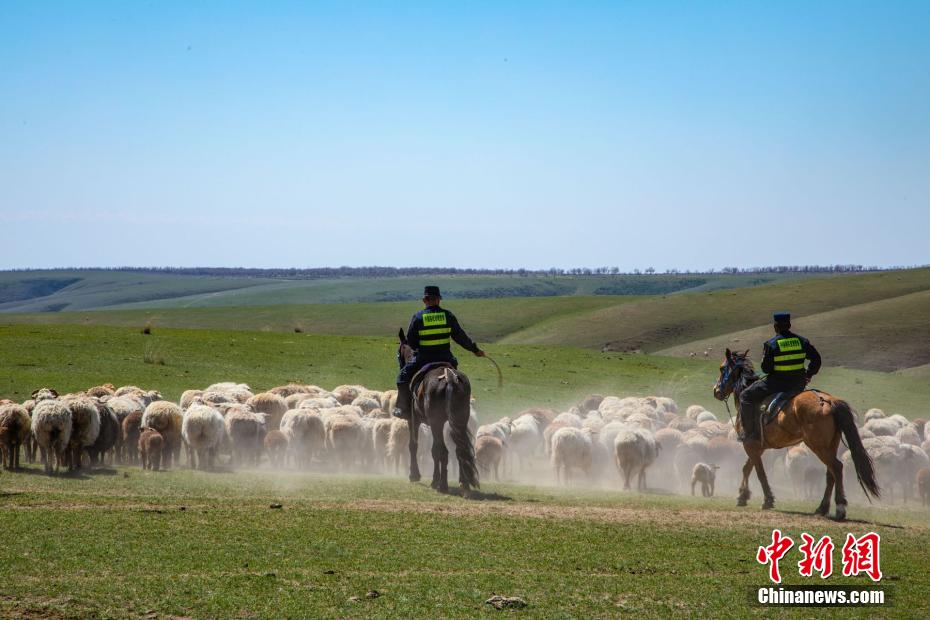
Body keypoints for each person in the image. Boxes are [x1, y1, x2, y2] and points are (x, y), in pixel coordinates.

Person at [393, 286, 485, 420]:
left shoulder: (418, 317)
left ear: (425, 300)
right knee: (457, 379)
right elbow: (460, 337)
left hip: (424, 359)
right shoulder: (448, 316)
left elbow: (411, 343)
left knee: (402, 378)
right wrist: (475, 349)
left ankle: (403, 409)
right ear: (438, 300)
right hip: (446, 358)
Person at [738, 311, 821, 442]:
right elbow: (816, 359)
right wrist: (808, 375)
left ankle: (750, 434)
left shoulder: (771, 344)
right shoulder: (802, 341)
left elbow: (766, 369)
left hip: (775, 384)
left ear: (775, 326)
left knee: (745, 396)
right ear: (789, 325)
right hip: (799, 384)